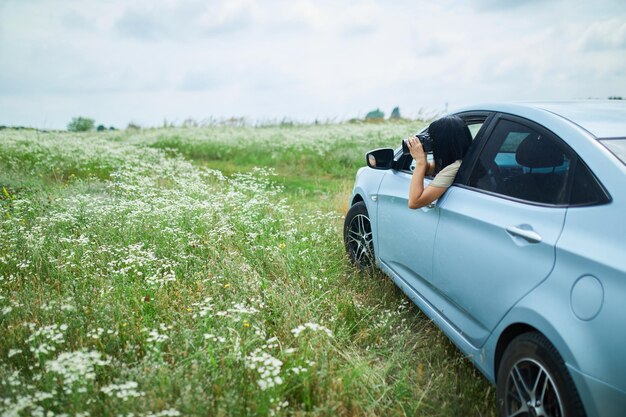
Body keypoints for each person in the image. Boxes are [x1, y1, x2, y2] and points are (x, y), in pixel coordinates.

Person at [405, 115, 472, 209]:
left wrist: (420, 162)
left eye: (432, 139)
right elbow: (429, 170)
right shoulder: (466, 160)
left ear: (442, 142)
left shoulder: (454, 168)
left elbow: (414, 202)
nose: (431, 143)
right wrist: (422, 157)